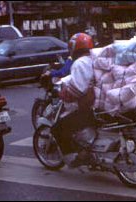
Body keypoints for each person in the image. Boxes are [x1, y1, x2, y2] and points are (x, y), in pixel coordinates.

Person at [50, 33, 96, 168]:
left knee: (58, 128)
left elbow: (77, 91)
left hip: (87, 107)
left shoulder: (78, 63)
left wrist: (63, 94)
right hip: (97, 103)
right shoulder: (93, 59)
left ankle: (75, 157)